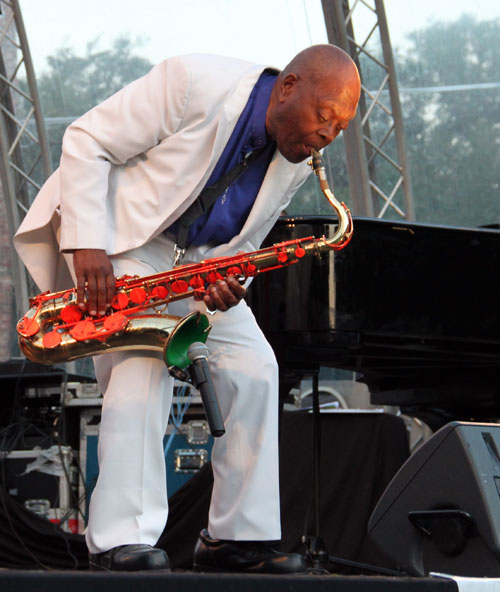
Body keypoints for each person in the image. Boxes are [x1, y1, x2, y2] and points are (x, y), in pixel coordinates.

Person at [14, 44, 361, 573]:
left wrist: (230, 280)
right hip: (122, 239)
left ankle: (236, 540)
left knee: (255, 369)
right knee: (143, 366)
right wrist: (88, 245)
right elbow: (87, 139)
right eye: (325, 116)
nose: (328, 136)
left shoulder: (295, 160)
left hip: (194, 263)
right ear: (289, 87)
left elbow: (245, 246)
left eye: (339, 128)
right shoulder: (192, 81)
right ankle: (118, 540)